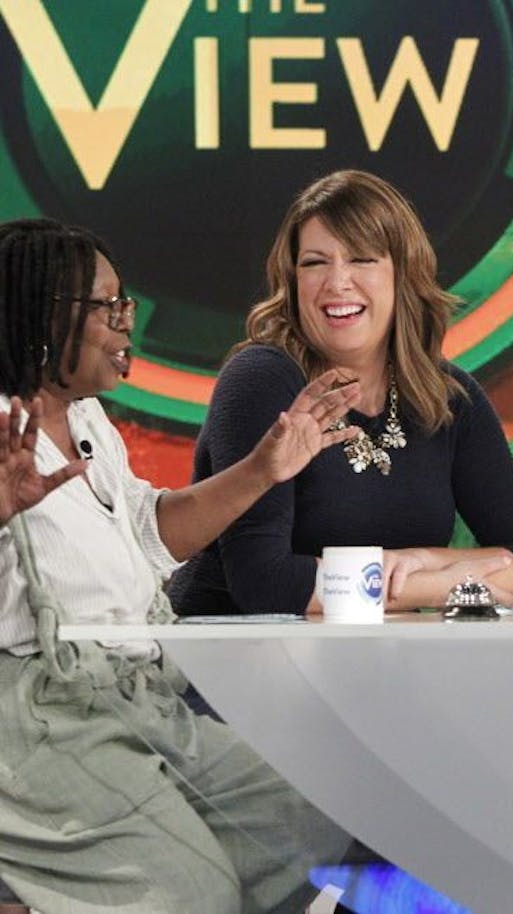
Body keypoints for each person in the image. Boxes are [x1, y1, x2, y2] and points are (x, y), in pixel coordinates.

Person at [0, 218, 358, 911]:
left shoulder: (85, 421)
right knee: (189, 893)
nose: (124, 322)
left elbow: (148, 528)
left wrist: (263, 468)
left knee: (305, 816)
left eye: (124, 303)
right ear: (41, 316)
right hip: (33, 719)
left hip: (129, 695)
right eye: (107, 307)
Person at [168, 170, 513, 615]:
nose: (337, 282)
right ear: (292, 280)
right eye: (314, 263)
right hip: (236, 663)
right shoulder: (262, 379)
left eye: (362, 259)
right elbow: (265, 583)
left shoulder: (447, 396)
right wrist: (438, 588)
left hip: (381, 661)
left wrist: (424, 561)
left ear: (402, 275)